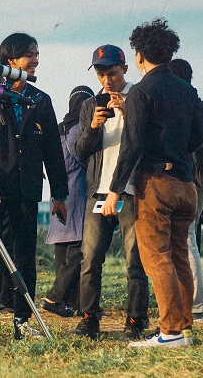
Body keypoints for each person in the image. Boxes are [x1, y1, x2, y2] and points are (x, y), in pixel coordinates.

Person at [105, 19, 201, 348]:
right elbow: (198, 137)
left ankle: (170, 332)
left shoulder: (142, 91)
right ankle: (184, 328)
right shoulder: (188, 90)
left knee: (156, 257)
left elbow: (131, 146)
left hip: (155, 184)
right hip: (186, 183)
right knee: (177, 256)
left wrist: (114, 191)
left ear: (140, 55)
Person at [0, 33, 69, 340]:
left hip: (27, 190)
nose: (36, 59)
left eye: (37, 53)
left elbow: (53, 151)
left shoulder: (41, 100)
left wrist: (60, 194)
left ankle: (22, 321)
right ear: (10, 60)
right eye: (30, 54)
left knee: (26, 255)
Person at [69, 45, 151, 342]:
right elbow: (79, 151)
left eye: (112, 73)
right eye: (102, 74)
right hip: (98, 191)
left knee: (135, 261)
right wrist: (92, 126)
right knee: (89, 259)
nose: (107, 80)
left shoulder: (140, 99)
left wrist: (129, 113)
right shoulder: (90, 104)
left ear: (125, 69)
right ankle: (89, 319)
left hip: (131, 191)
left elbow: (148, 141)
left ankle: (135, 320)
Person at [168, 58, 203, 323]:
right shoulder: (200, 105)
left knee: (186, 241)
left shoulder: (183, 105)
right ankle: (190, 301)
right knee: (186, 240)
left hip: (186, 178)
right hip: (199, 183)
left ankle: (195, 305)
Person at [40, 85, 94, 318]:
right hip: (77, 193)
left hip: (58, 193)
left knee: (63, 252)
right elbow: (81, 156)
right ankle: (57, 296)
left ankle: (70, 303)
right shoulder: (76, 130)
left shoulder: (58, 128)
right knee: (78, 251)